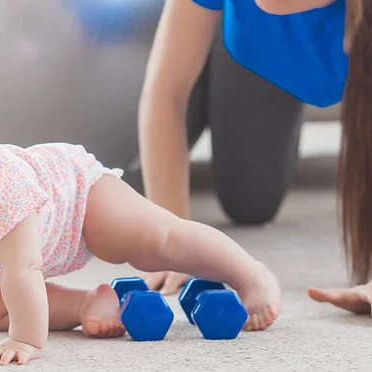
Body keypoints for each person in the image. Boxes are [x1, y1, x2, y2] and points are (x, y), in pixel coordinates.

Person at [0, 36, 281, 365]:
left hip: (73, 202)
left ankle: (250, 273)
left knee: (154, 239)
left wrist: (26, 340)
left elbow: (24, 266)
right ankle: (87, 305)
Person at [137, 0, 372, 309]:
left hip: (299, 54)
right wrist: (175, 242)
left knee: (251, 200)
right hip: (242, 45)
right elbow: (166, 93)